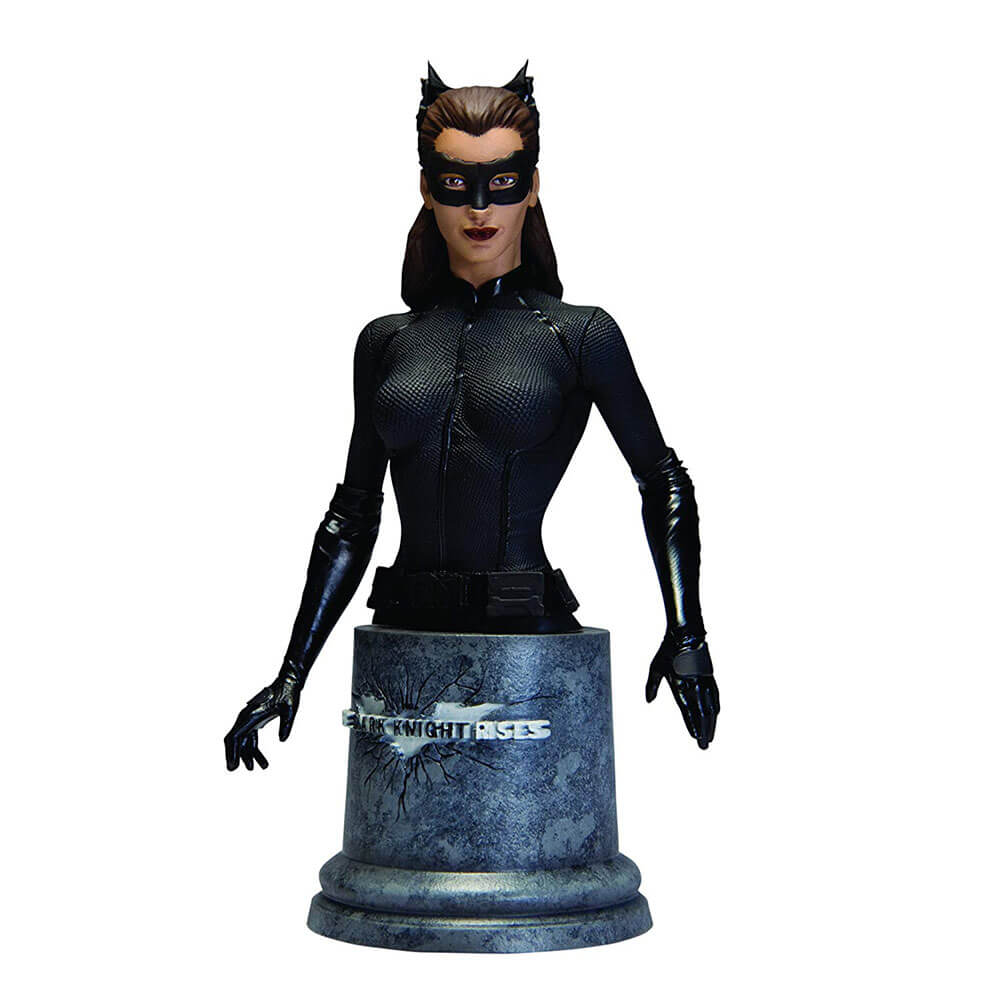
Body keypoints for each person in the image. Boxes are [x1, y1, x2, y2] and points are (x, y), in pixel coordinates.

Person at [224, 63, 720, 772]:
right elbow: (352, 515)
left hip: (528, 642)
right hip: (400, 643)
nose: (480, 209)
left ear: (533, 187)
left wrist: (687, 635)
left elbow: (662, 479)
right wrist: (292, 671)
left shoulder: (578, 335)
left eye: (503, 182)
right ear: (427, 189)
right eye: (457, 184)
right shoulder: (386, 342)